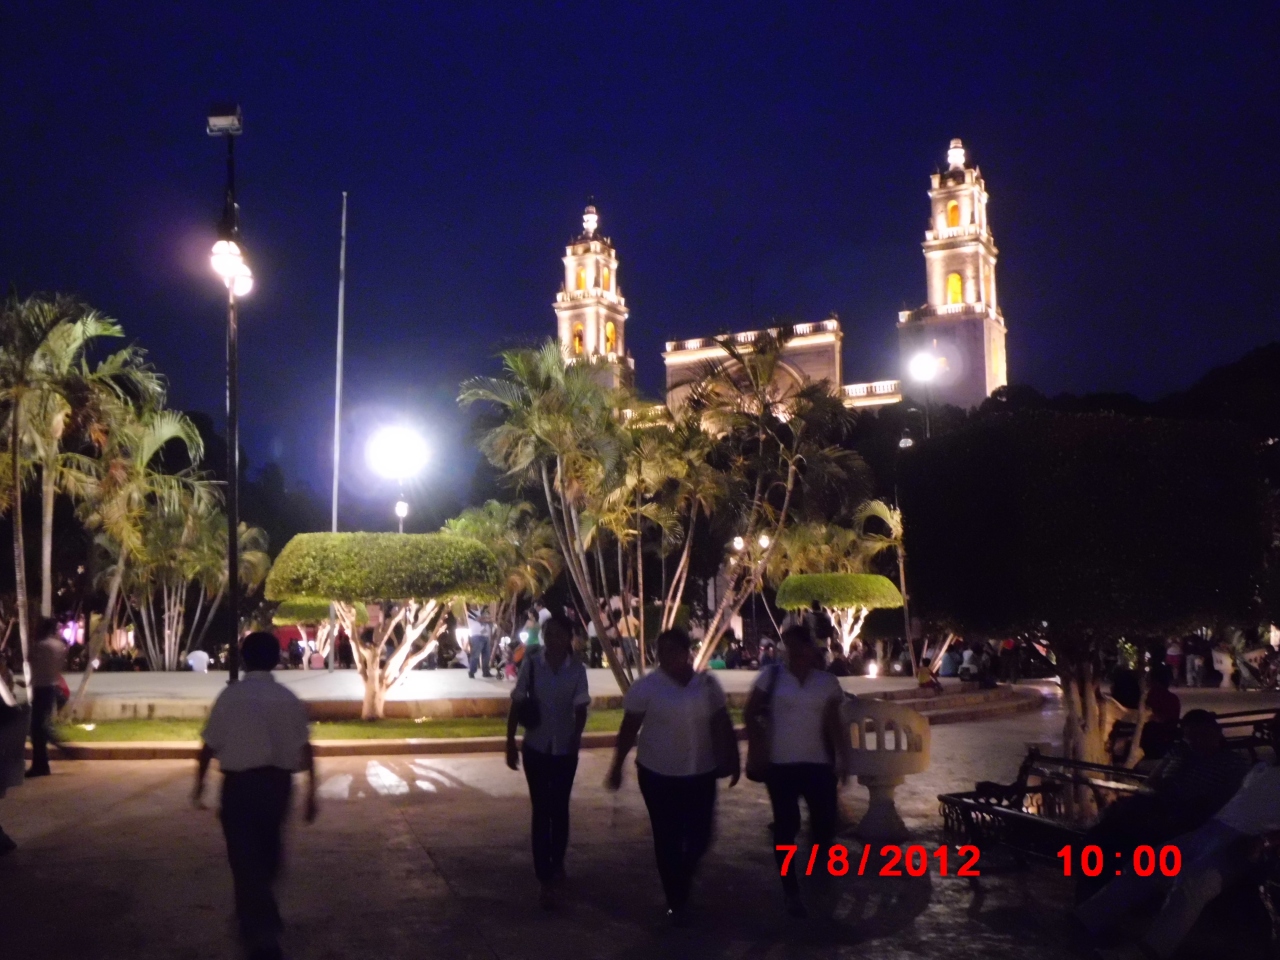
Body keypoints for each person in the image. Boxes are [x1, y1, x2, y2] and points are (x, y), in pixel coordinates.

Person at [1076, 717, 1280, 958]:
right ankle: (1087, 918)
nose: (1273, 737)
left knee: (1191, 884)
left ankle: (1150, 951)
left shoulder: (1246, 766)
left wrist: (1265, 841)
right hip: (1211, 829)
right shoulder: (1261, 769)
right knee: (1148, 862)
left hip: (1243, 841)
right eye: (1274, 732)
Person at [194, 632, 318, 960]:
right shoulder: (287, 697)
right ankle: (260, 923)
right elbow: (306, 747)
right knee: (268, 855)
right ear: (276, 658)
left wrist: (199, 784)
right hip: (277, 787)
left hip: (239, 787)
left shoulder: (230, 697)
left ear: (244, 659)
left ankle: (259, 927)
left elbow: (208, 745)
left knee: (244, 858)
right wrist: (311, 793)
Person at [606, 628, 739, 922]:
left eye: (672, 650)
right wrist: (617, 766)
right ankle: (675, 898)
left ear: (686, 652)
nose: (665, 656)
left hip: (701, 772)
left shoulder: (707, 684)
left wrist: (733, 757)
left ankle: (683, 875)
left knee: (701, 835)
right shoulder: (647, 687)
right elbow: (629, 728)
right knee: (667, 837)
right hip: (658, 774)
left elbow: (721, 721)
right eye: (661, 651)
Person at [1076, 710, 1249, 901]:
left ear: (1217, 733)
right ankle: (1090, 892)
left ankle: (1108, 895)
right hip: (1158, 809)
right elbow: (1150, 784)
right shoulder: (1179, 753)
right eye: (1191, 737)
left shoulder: (1232, 763)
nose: (1197, 742)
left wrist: (1178, 803)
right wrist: (1146, 796)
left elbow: (1227, 801)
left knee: (1127, 842)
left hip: (1188, 819)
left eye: (1202, 735)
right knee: (1101, 833)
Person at [745, 625, 848, 917]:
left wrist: (842, 757)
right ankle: (790, 889)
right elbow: (750, 712)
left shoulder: (826, 682)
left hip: (818, 765)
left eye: (798, 646)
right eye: (787, 647)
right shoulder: (772, 676)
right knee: (786, 826)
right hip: (781, 765)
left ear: (810, 648)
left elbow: (833, 722)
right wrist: (758, 743)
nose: (793, 653)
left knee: (824, 827)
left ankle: (816, 878)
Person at [505, 618, 589, 909]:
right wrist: (509, 742)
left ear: (569, 638)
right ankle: (545, 876)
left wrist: (576, 736)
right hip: (536, 747)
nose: (554, 639)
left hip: (565, 749)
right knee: (541, 810)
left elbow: (581, 706)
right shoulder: (532, 665)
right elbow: (517, 701)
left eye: (560, 634)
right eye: (549, 634)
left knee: (560, 809)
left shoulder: (577, 669)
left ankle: (557, 861)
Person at [26, 617, 66, 778]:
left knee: (37, 728)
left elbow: (30, 660)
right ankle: (44, 761)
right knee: (41, 726)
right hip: (52, 687)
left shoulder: (40, 646)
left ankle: (40, 764)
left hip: (40, 688)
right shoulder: (59, 646)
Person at [1140, 664, 1181, 760]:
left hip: (1154, 741)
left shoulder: (1151, 697)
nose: (1146, 680)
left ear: (1154, 680)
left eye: (1148, 677)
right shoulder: (1173, 698)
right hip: (1167, 739)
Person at [466, 606, 494, 679]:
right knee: (475, 655)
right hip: (476, 635)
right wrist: (488, 619)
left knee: (486, 656)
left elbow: (491, 620)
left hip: (486, 635)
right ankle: (472, 671)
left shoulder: (483, 612)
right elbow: (479, 619)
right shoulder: (469, 613)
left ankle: (486, 672)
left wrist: (488, 619)